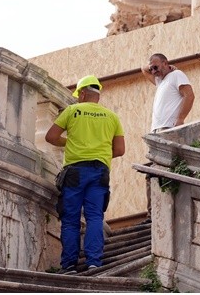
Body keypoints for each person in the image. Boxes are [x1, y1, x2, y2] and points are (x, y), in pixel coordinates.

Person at [44, 75, 125, 274]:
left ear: (82, 94)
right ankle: (94, 262)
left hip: (75, 172)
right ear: (97, 94)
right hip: (100, 172)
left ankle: (69, 264)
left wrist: (69, 143)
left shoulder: (72, 111)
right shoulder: (112, 116)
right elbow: (120, 150)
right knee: (95, 217)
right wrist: (100, 152)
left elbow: (51, 137)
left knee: (71, 219)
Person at [141, 53, 195, 131]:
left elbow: (189, 96)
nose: (153, 71)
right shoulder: (159, 81)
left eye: (155, 67)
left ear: (165, 63)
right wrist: (153, 66)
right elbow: (143, 69)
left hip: (169, 127)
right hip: (156, 129)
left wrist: (180, 119)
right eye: (151, 69)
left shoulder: (176, 74)